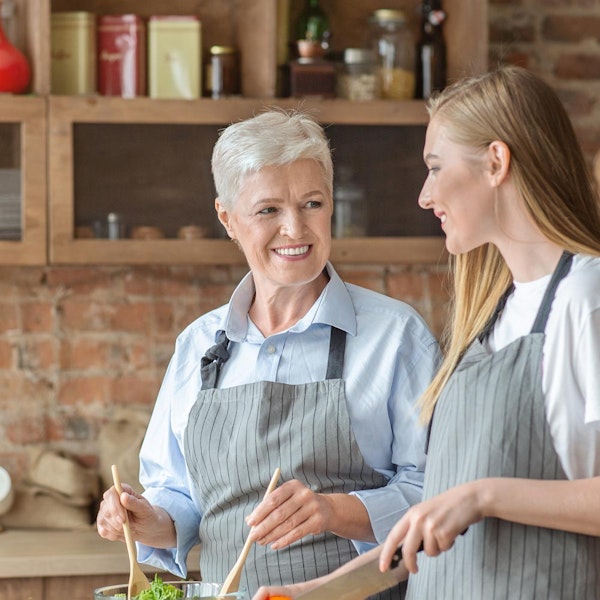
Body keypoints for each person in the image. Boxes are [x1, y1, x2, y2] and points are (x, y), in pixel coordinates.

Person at [253, 65, 600, 600]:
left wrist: (484, 495)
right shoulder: (491, 314)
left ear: (496, 162)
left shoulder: (584, 297)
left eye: (436, 168)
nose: (424, 194)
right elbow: (441, 528)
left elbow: (477, 503)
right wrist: (321, 591)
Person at [96, 108, 441, 598]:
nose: (295, 229)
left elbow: (440, 496)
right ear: (228, 219)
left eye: (312, 204)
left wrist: (333, 510)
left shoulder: (395, 336)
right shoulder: (198, 345)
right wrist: (145, 518)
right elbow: (182, 498)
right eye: (268, 211)